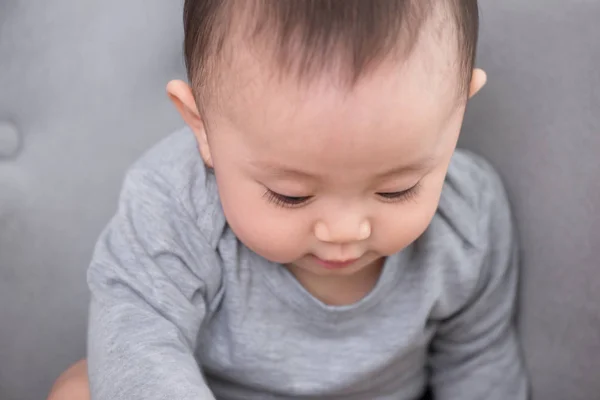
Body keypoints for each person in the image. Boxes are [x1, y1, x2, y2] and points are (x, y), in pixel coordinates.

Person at [48, 1, 529, 399]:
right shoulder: (177, 201)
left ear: (458, 113)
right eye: (291, 195)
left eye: (395, 189)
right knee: (78, 388)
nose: (344, 230)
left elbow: (478, 358)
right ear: (203, 128)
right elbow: (137, 336)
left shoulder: (468, 217)